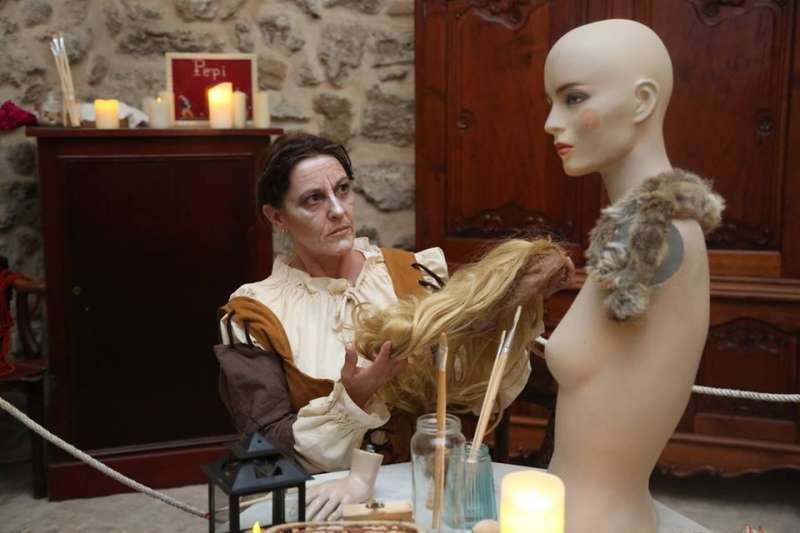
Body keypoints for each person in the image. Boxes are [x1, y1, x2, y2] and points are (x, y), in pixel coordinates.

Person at [216, 132, 573, 480]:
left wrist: (511, 298)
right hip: (324, 494)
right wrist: (353, 397)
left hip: (426, 481)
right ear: (276, 217)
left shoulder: (414, 273)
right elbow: (267, 448)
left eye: (343, 189)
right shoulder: (256, 313)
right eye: (314, 199)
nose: (338, 211)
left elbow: (467, 387)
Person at [542, 20, 723, 533]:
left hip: (592, 520)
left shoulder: (648, 237)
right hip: (602, 511)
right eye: (552, 102)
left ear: (642, 102)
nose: (551, 123)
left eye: (574, 98)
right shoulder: (668, 226)